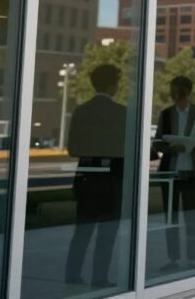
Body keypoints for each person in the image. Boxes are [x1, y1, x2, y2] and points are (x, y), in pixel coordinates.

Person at [65, 64, 127, 288]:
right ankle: (99, 278)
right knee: (107, 234)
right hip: (112, 180)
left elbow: (73, 149)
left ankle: (72, 275)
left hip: (86, 178)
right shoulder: (122, 113)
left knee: (82, 232)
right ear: (112, 85)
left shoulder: (81, 110)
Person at [153, 75, 195, 272]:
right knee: (171, 218)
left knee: (190, 217)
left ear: (185, 91)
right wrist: (171, 148)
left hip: (191, 172)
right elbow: (158, 141)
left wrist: (192, 146)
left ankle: (192, 259)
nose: (172, 93)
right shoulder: (166, 114)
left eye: (174, 89)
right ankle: (174, 259)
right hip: (170, 172)